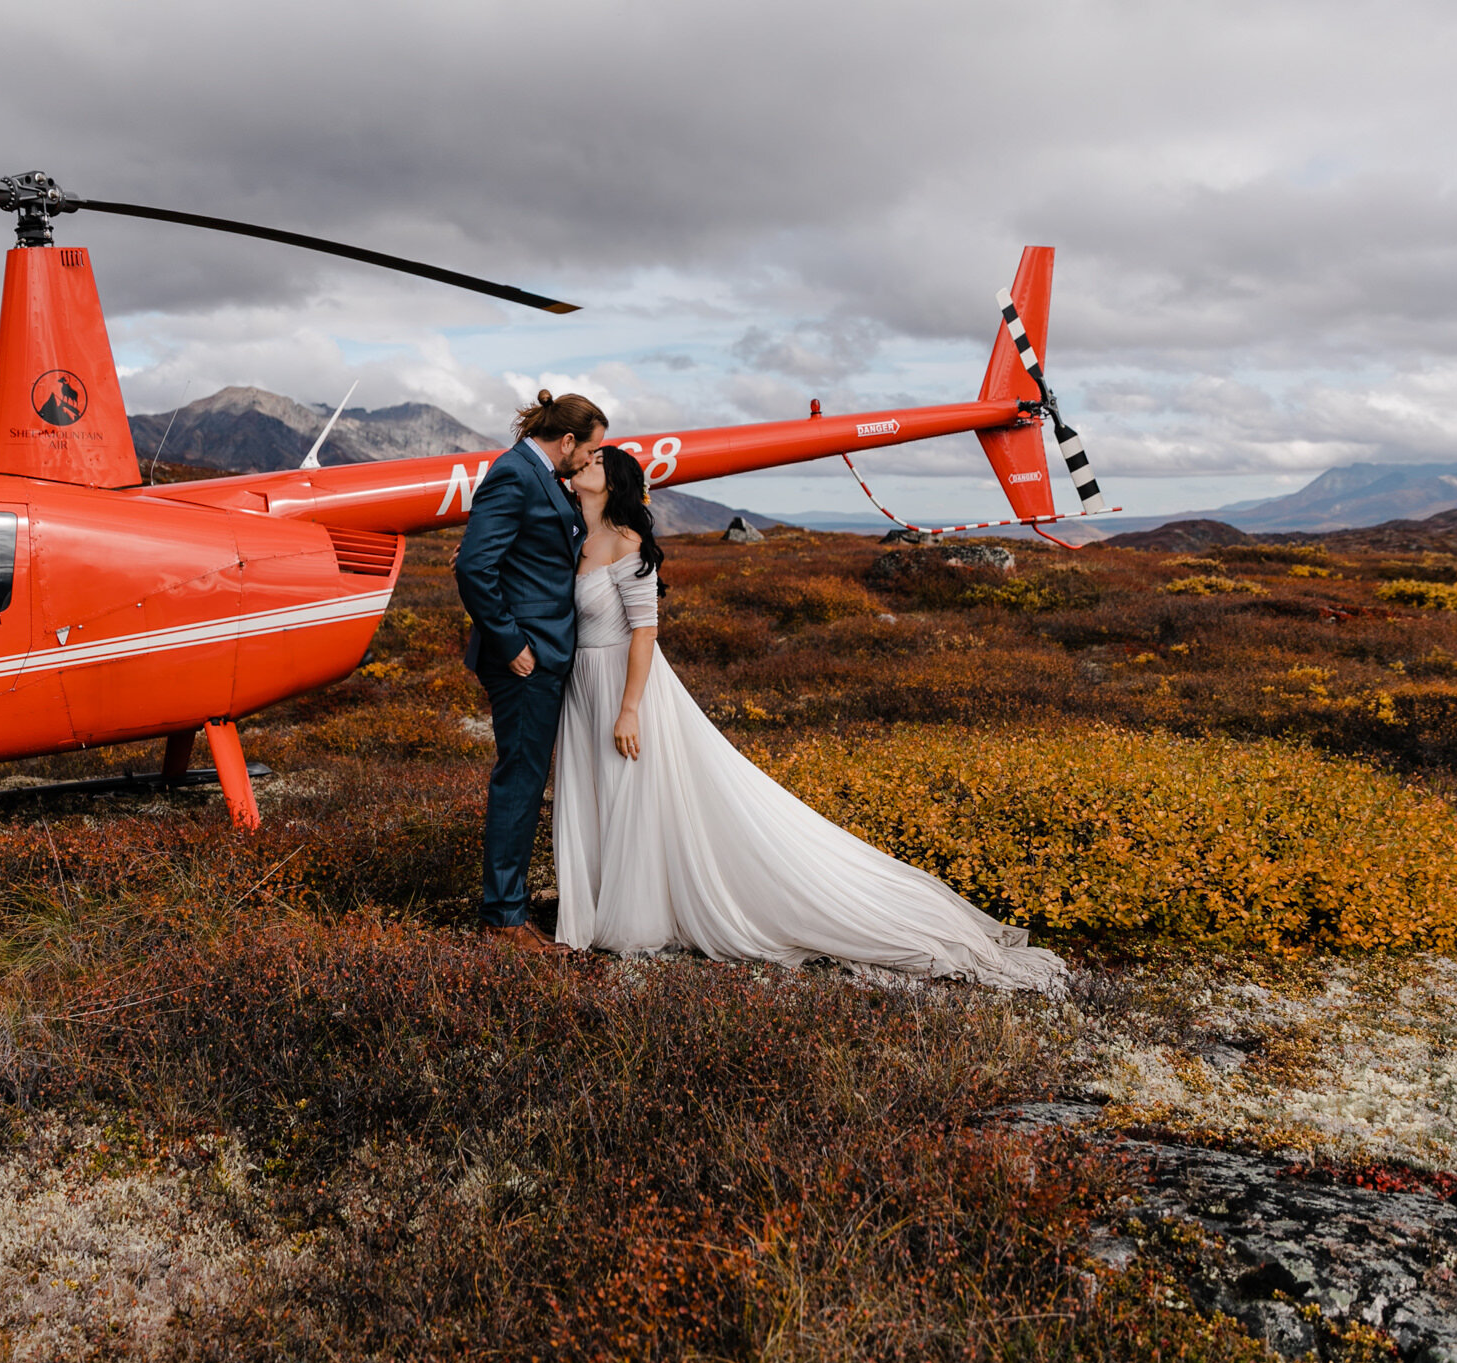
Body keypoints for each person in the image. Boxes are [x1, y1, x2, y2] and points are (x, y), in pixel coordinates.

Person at [551, 445, 1066, 991]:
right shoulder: (580, 537)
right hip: (583, 685)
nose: (583, 464)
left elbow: (646, 632)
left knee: (632, 791)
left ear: (615, 483)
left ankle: (637, 913)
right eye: (581, 460)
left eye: (596, 463)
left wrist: (629, 709)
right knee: (597, 790)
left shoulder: (628, 543)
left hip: (624, 686)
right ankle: (599, 897)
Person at [454, 389, 606, 956]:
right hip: (526, 658)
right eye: (591, 450)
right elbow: (474, 565)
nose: (593, 460)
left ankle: (509, 906)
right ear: (566, 442)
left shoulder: (540, 475)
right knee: (519, 780)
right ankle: (503, 919)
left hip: (546, 650)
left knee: (527, 777)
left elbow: (514, 552)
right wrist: (510, 640)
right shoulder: (516, 473)